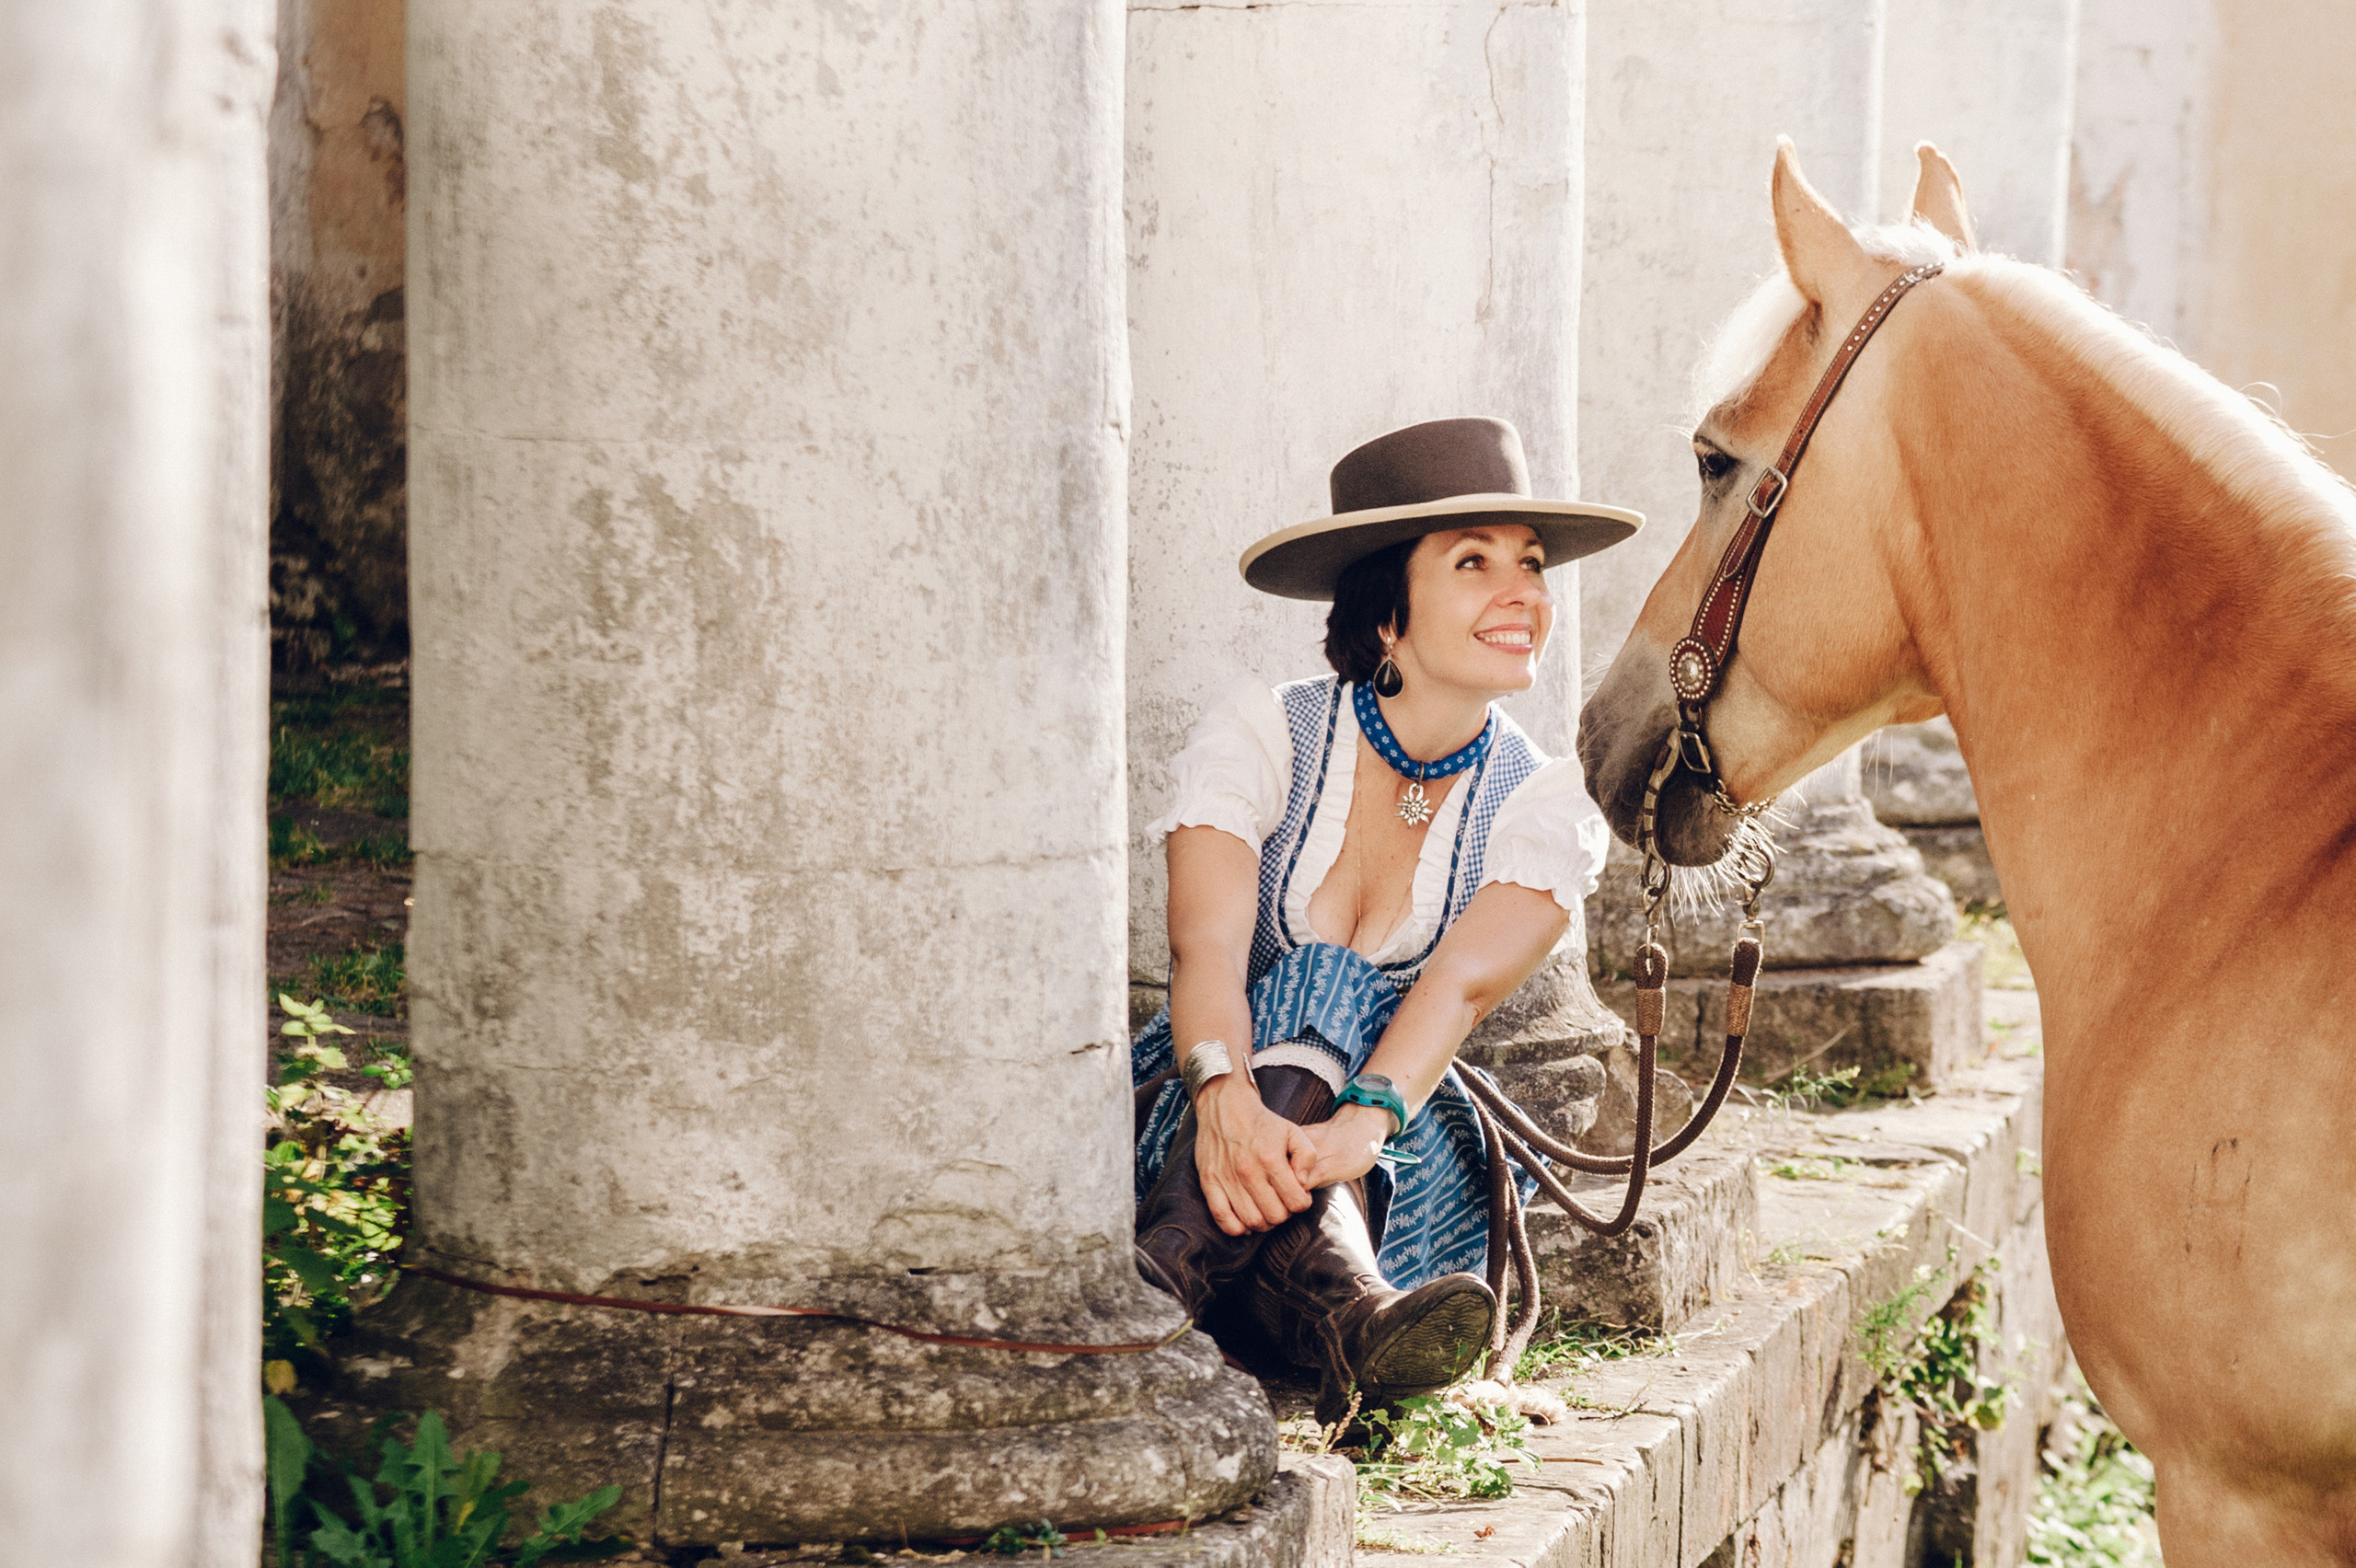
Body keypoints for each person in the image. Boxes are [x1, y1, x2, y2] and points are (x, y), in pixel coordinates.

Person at [1131, 416, 1642, 1423]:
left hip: (1393, 1144)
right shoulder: (1265, 735)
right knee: (1317, 978)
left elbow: (1454, 992)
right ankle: (1353, 1319)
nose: (1525, 594)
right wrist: (1228, 1099)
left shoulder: (1540, 804)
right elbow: (1209, 950)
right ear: (1386, 616)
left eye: (1530, 565)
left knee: (1343, 995)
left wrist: (1360, 1124)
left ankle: (1165, 1274)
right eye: (1472, 562)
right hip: (1201, 1105)